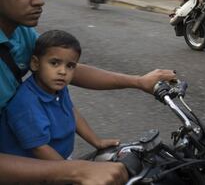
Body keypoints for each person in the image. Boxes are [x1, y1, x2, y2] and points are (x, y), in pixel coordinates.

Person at [0, 0, 175, 184]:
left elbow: (71, 68)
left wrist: (139, 82)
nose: (39, 0)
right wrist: (74, 171)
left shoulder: (19, 32)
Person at [0, 30, 120, 160]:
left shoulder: (58, 88)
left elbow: (71, 111)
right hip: (36, 170)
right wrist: (73, 172)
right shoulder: (26, 104)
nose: (63, 72)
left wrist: (97, 142)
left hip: (60, 160)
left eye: (70, 66)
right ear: (35, 63)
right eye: (54, 63)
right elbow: (39, 148)